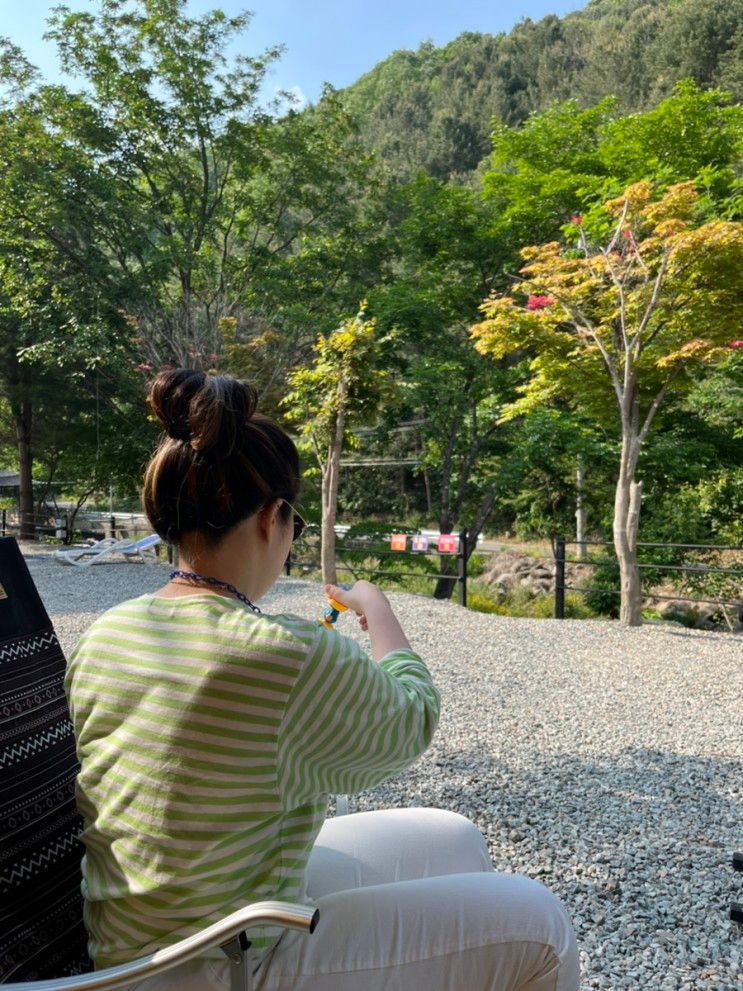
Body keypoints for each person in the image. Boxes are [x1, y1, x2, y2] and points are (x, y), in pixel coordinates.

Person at [65, 369, 579, 990]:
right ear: (272, 518)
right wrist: (377, 609)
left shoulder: (108, 632)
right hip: (219, 962)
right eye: (296, 524)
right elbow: (411, 718)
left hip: (131, 952)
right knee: (542, 927)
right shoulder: (281, 651)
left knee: (457, 837)